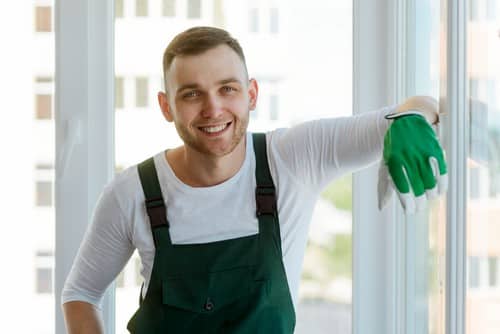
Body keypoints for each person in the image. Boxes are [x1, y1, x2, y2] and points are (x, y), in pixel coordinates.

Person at [61, 26, 447, 333]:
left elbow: (420, 106)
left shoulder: (295, 158)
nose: (213, 108)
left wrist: (412, 119)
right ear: (167, 106)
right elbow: (80, 294)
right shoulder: (132, 193)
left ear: (252, 94)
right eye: (192, 94)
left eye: (227, 89)